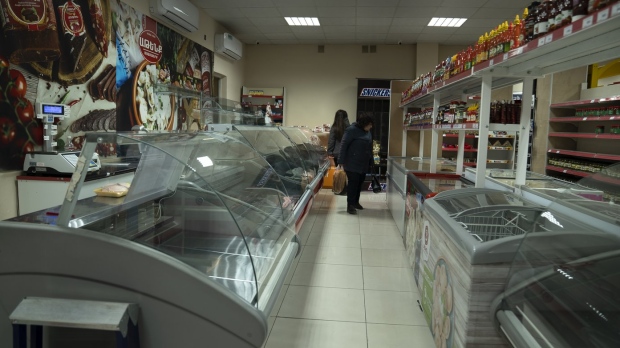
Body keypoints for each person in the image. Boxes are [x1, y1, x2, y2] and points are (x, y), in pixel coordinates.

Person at [338, 114, 373, 215]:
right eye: (369, 124)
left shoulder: (368, 131)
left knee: (359, 183)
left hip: (364, 162)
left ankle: (356, 202)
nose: (371, 127)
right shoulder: (351, 130)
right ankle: (350, 205)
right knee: (353, 184)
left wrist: (371, 160)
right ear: (364, 124)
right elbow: (343, 145)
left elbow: (369, 146)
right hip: (352, 162)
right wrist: (340, 161)